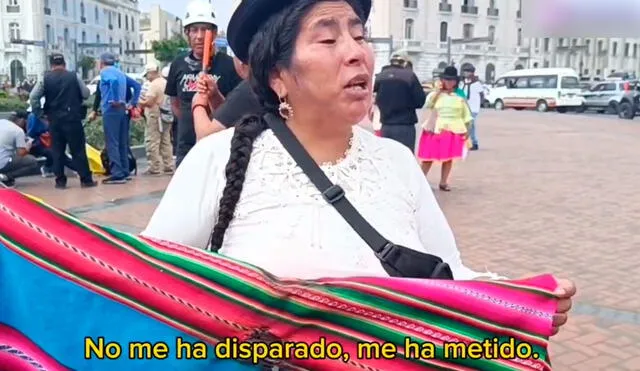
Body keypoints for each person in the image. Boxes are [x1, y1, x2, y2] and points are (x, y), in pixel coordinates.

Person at [142, 0, 575, 343]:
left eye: (359, 35)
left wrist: (518, 302)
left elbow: (446, 276)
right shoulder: (216, 160)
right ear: (277, 75)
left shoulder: (397, 163)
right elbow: (145, 288)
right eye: (328, 41)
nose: (356, 53)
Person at [165, 0, 242, 167]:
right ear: (187, 33)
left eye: (205, 29)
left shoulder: (229, 65)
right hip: (186, 147)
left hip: (220, 146)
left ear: (214, 33)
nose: (199, 36)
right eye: (194, 30)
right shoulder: (178, 64)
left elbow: (237, 108)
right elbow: (175, 104)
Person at [29, 53, 96, 189]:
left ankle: (60, 181)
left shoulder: (45, 78)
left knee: (57, 150)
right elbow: (86, 93)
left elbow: (33, 97)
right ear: (64, 64)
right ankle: (86, 180)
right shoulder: (73, 76)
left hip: (54, 120)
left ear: (51, 65)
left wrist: (40, 114)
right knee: (78, 150)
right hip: (73, 118)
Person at [417, 66, 471, 192]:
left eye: (452, 80)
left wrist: (468, 129)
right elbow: (427, 106)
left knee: (448, 158)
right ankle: (421, 181)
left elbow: (466, 114)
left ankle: (443, 182)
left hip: (453, 129)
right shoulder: (435, 95)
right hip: (435, 129)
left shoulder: (460, 96)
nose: (449, 83)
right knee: (428, 157)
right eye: (447, 80)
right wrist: (437, 92)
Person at [94, 52, 141, 184]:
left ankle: (117, 173)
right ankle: (125, 171)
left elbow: (113, 82)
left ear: (102, 62)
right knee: (122, 142)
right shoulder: (120, 72)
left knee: (112, 142)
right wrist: (132, 103)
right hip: (122, 110)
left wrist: (115, 99)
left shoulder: (105, 72)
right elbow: (137, 86)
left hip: (111, 109)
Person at [193, 57, 261, 141]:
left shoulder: (248, 89)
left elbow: (206, 139)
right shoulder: (264, 81)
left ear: (241, 63)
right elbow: (227, 118)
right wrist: (214, 95)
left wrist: (198, 104)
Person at [373, 54, 426, 152]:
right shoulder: (409, 76)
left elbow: (376, 95)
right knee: (405, 158)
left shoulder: (380, 76)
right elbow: (420, 101)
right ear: (404, 63)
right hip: (405, 125)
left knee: (388, 158)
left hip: (386, 124)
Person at [138, 63, 174, 175]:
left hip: (155, 116)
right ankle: (168, 166)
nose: (146, 77)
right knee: (166, 141)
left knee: (152, 141)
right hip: (167, 115)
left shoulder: (154, 85)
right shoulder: (165, 82)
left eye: (147, 74)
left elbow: (149, 102)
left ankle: (154, 167)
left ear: (151, 72)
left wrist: (139, 102)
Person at [26, 112, 76, 177]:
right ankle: (77, 168)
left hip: (46, 141)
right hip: (36, 143)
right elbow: (32, 132)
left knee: (56, 152)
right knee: (55, 153)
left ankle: (47, 168)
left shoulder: (50, 114)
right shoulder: (34, 116)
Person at [0, 111, 39, 187]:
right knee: (32, 161)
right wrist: (28, 146)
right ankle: (6, 177)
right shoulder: (18, 130)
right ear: (22, 120)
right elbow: (21, 153)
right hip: (2, 163)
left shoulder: (1, 121)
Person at [460, 64, 483, 151]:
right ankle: (464, 142)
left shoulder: (477, 83)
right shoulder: (462, 83)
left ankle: (474, 142)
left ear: (472, 73)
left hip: (473, 108)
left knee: (471, 125)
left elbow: (481, 94)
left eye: (467, 71)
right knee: (464, 125)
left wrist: (480, 103)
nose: (465, 73)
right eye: (464, 71)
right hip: (464, 107)